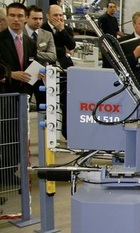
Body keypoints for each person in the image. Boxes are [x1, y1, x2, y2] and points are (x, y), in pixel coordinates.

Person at [0, 2, 37, 186]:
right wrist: (10, 74)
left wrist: (29, 90)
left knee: (18, 139)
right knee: (5, 138)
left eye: (20, 16)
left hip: (22, 99)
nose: (16, 19)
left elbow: (32, 66)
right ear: (7, 17)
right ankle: (4, 173)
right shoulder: (0, 40)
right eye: (12, 15)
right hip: (4, 97)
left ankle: (8, 172)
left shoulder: (30, 42)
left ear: (25, 18)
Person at [41, 4, 75, 139]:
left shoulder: (66, 29)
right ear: (48, 16)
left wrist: (61, 30)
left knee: (66, 104)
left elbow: (71, 46)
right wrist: (62, 50)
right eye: (55, 15)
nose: (59, 18)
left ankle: (67, 134)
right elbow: (48, 51)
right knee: (48, 103)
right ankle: (49, 136)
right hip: (47, 71)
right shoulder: (42, 29)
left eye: (61, 15)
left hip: (65, 71)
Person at [25, 5, 56, 108]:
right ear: (26, 18)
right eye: (35, 18)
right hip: (23, 77)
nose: (38, 21)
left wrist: (33, 52)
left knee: (43, 108)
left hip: (41, 77)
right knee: (22, 108)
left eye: (40, 18)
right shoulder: (20, 33)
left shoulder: (47, 35)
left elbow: (52, 56)